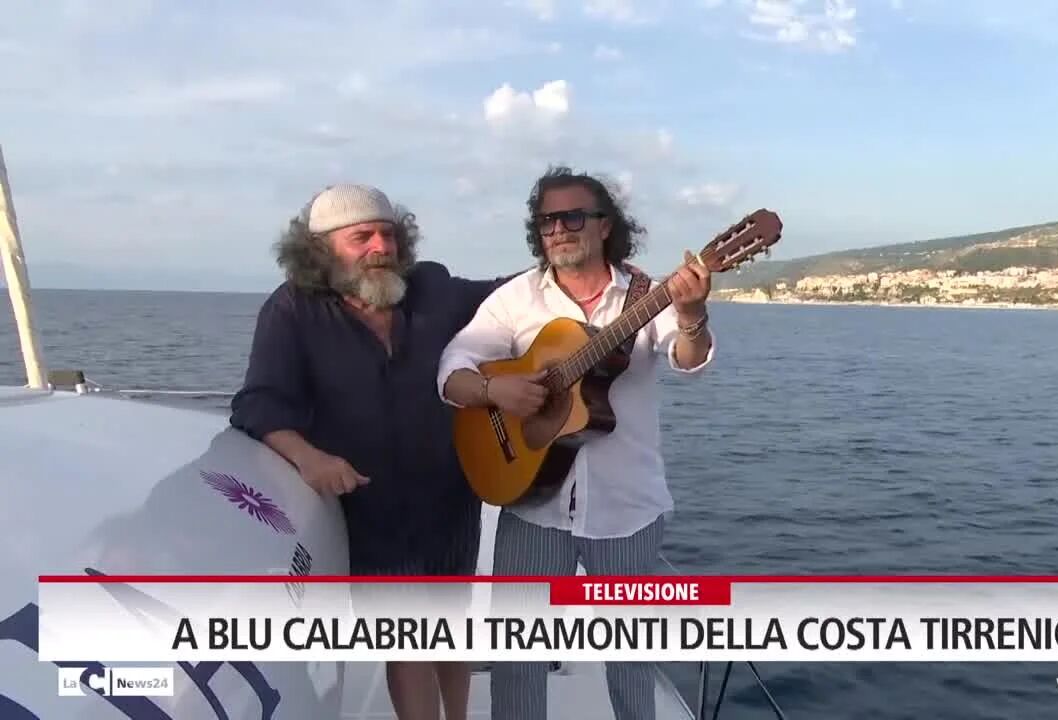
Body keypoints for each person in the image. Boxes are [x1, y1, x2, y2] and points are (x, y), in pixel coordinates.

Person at [436, 166, 715, 720]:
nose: (558, 229)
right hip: (533, 505)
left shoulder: (645, 295)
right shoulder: (518, 298)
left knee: (632, 661)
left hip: (626, 510)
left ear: (605, 225)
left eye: (571, 216)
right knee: (518, 659)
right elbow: (452, 369)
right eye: (546, 221)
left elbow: (690, 361)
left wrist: (690, 314)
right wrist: (497, 390)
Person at [229, 184, 504, 720]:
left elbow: (509, 296)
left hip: (449, 497)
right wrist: (308, 458)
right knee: (407, 643)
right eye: (363, 237)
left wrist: (592, 272)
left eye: (389, 234)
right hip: (370, 508)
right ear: (321, 249)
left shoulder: (432, 287)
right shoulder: (291, 310)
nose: (382, 246)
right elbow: (258, 403)